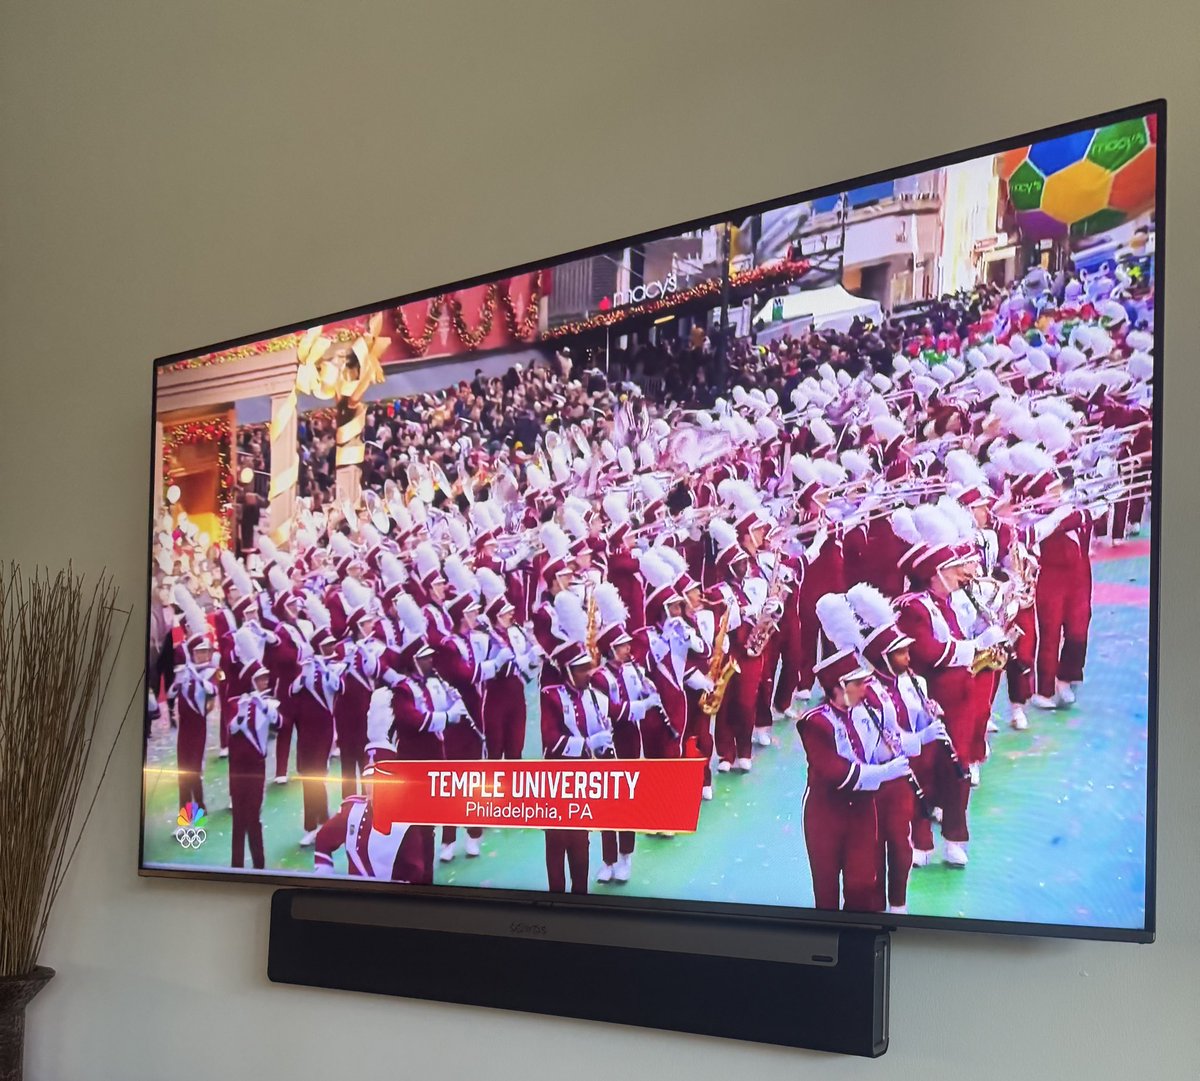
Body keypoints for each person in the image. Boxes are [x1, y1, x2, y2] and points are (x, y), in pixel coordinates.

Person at [796, 646, 910, 911]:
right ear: (840, 686)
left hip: (862, 810)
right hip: (825, 813)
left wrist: (908, 745)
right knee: (826, 888)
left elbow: (880, 752)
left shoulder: (866, 714)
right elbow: (836, 772)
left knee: (862, 885)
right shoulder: (815, 723)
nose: (865, 689)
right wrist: (885, 772)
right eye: (859, 683)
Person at [540, 642, 613, 894]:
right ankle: (556, 899)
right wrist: (588, 743)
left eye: (588, 668)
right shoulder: (550, 696)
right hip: (557, 781)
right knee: (558, 843)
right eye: (582, 669)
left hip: (582, 780)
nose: (588, 673)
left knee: (581, 843)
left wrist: (603, 743)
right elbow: (552, 741)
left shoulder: (591, 696)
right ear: (568, 671)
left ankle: (580, 896)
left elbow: (598, 728)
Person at [228, 662, 278, 869]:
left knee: (253, 817)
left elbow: (279, 723)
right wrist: (240, 714)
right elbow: (230, 730)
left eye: (266, 678)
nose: (264, 682)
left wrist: (263, 706)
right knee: (238, 820)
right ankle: (236, 866)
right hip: (237, 769)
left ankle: (259, 865)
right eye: (260, 678)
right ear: (251, 681)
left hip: (256, 767)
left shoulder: (270, 703)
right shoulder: (235, 703)